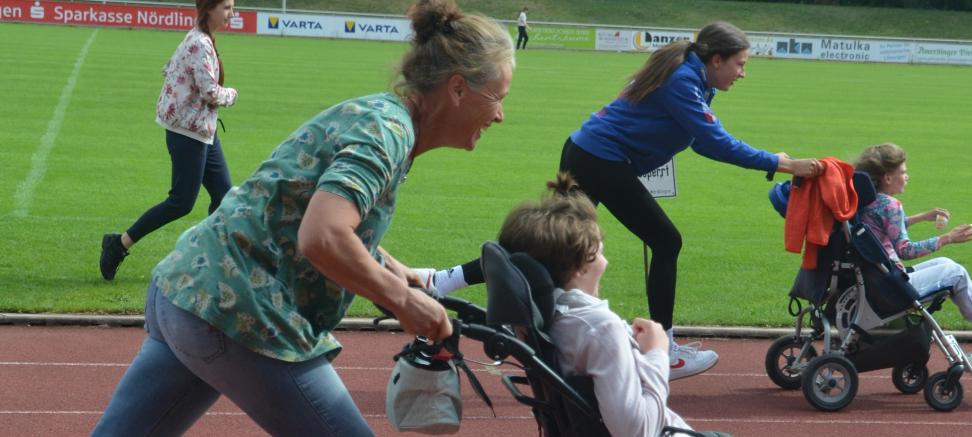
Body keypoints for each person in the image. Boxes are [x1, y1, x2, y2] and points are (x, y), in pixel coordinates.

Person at [90, 0, 514, 435]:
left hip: (186, 291)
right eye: (498, 98)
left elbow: (298, 209)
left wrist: (395, 273)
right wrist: (403, 302)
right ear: (458, 88)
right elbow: (323, 235)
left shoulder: (379, 117)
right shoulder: (387, 135)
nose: (500, 114)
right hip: (237, 310)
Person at [419, 21, 824, 380]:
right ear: (716, 60)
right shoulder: (684, 80)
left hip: (590, 153)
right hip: (601, 160)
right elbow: (713, 142)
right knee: (666, 241)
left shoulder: (691, 76)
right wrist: (781, 163)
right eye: (739, 64)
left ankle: (444, 280)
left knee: (548, 243)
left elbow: (698, 141)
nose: (742, 73)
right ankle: (664, 351)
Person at [498, 173, 720, 437]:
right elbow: (636, 431)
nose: (606, 262)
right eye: (600, 253)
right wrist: (658, 354)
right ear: (580, 266)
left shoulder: (548, 320)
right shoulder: (600, 328)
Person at [854, 143, 972, 360]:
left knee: (945, 263)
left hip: (879, 279)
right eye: (903, 172)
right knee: (955, 272)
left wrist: (922, 217)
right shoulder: (891, 205)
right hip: (892, 287)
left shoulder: (868, 200)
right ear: (887, 178)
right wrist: (947, 238)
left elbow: (885, 228)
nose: (907, 176)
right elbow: (905, 249)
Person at [99, 0, 239, 281]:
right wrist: (232, 94)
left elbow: (170, 70)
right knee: (181, 202)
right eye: (226, 7)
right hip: (188, 133)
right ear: (208, 8)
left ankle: (212, 260)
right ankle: (119, 243)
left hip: (202, 130)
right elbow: (211, 92)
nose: (231, 13)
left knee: (224, 196)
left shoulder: (201, 37)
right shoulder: (199, 42)